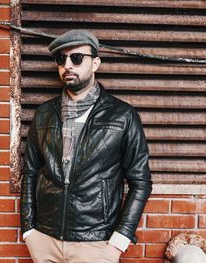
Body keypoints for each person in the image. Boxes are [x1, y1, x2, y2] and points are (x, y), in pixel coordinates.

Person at [20, 29, 152, 263]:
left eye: (77, 58)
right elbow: (30, 173)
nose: (68, 65)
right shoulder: (43, 115)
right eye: (61, 59)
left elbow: (140, 182)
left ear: (95, 63)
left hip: (96, 243)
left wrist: (120, 239)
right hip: (45, 239)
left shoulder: (123, 116)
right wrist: (29, 230)